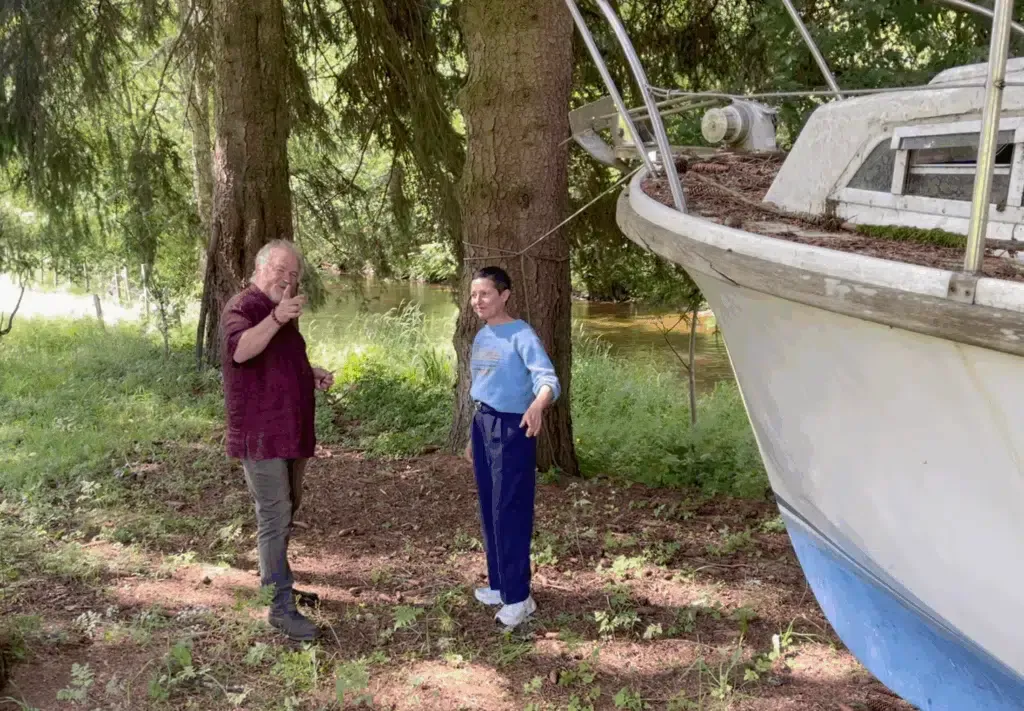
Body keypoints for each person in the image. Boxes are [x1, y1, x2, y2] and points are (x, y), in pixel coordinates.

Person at [220, 239, 334, 641]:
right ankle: (279, 608)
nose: (287, 279)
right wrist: (276, 317)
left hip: (290, 431)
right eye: (280, 270)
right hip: (261, 436)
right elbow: (241, 351)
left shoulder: (281, 312)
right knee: (274, 514)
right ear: (259, 267)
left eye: (293, 274)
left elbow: (279, 359)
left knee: (288, 508)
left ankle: (279, 581)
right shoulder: (242, 307)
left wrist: (310, 372)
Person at [465, 265, 560, 629]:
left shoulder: (522, 334)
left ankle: (519, 597)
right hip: (483, 424)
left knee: (511, 509)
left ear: (504, 295)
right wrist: (473, 435)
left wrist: (537, 405)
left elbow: (547, 379)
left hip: (512, 428)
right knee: (490, 508)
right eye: (474, 295)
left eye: (485, 294)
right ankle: (500, 584)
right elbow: (483, 386)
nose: (478, 301)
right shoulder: (482, 335)